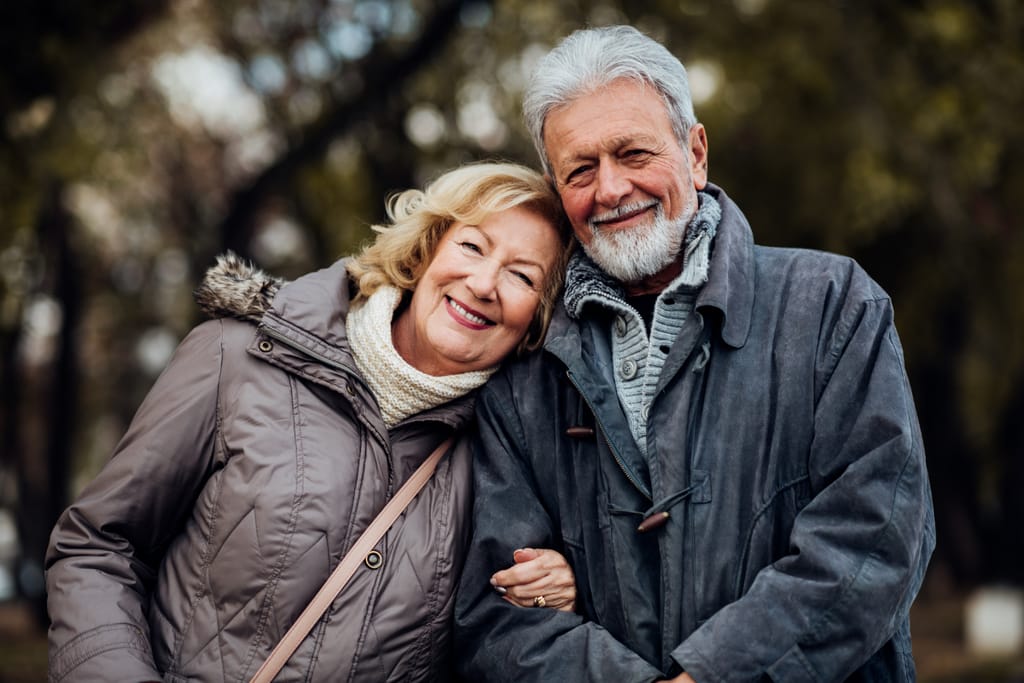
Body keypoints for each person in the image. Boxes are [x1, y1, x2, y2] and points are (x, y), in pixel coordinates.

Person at [454, 25, 936, 683]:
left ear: (696, 151)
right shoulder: (524, 368)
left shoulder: (831, 303)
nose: (612, 188)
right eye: (581, 169)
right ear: (557, 189)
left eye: (633, 152)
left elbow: (875, 540)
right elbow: (498, 611)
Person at [45, 162, 579, 682]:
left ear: (538, 317)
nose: (484, 283)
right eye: (472, 246)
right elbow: (97, 547)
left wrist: (554, 585)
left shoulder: (509, 454)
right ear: (426, 250)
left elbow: (492, 637)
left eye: (521, 276)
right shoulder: (239, 356)